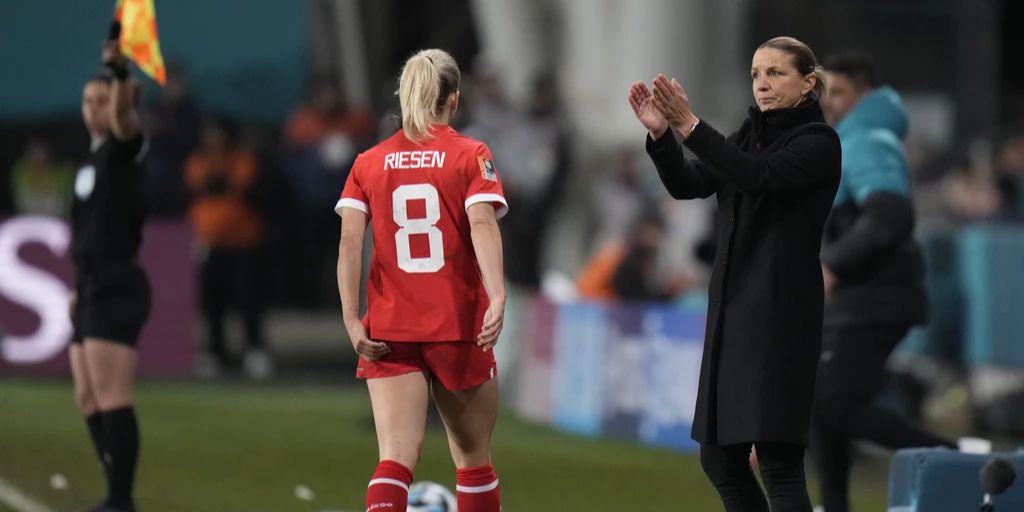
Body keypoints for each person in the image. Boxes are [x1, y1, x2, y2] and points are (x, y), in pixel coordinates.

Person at [629, 36, 840, 511]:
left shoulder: (818, 143)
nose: (761, 84)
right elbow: (690, 184)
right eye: (755, 74)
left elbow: (756, 176)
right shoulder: (749, 136)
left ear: (808, 82)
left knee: (778, 462)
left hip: (780, 317)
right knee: (719, 459)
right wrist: (663, 135)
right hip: (733, 312)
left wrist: (690, 124)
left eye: (775, 73)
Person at [336, 49, 507, 512]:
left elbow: (351, 243)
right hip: (458, 324)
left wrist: (353, 319)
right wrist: (498, 294)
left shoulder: (368, 162)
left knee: (393, 460)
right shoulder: (471, 155)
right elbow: (482, 224)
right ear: (454, 99)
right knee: (473, 461)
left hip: (390, 326)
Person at [816, 51, 955, 512]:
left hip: (876, 297)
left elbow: (890, 215)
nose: (829, 102)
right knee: (822, 407)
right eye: (825, 92)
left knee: (834, 404)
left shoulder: (869, 139)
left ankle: (953, 463)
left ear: (865, 93)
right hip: (861, 298)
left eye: (838, 92)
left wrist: (831, 263)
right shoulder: (851, 140)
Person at [69, 37, 152, 512]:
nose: (93, 109)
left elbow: (124, 123)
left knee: (113, 393)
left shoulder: (124, 147)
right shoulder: (91, 159)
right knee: (87, 395)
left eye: (101, 101)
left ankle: (120, 500)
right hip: (90, 285)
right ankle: (114, 484)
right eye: (87, 100)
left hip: (118, 285)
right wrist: (76, 286)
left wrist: (120, 73)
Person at [184, 117, 270, 379]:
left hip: (243, 242)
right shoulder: (197, 162)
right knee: (212, 302)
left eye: (218, 134)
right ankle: (214, 352)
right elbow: (200, 184)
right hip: (208, 244)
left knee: (248, 300)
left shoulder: (244, 161)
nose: (214, 140)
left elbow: (243, 186)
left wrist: (220, 183)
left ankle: (254, 350)